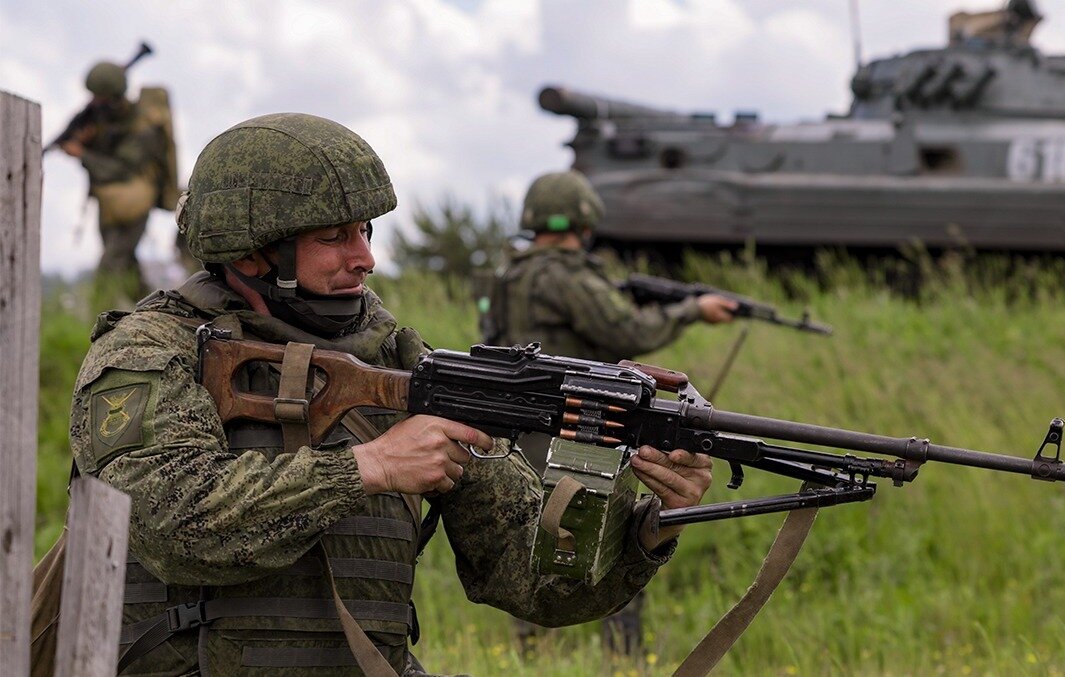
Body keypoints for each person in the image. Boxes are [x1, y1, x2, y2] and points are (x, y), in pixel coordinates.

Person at [67, 113, 713, 675]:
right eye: (333, 236)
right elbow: (164, 520)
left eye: (365, 231)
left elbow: (534, 579)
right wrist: (368, 468)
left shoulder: (399, 358)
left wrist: (647, 526)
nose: (364, 258)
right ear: (256, 249)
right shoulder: (152, 351)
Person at [483, 169, 737, 657]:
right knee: (618, 537)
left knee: (532, 546)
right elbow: (630, 334)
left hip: (521, 435)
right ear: (584, 222)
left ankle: (529, 659)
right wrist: (691, 310)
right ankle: (623, 659)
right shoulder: (566, 276)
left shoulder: (509, 276)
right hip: (581, 432)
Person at [54, 59, 182, 306]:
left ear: (112, 98)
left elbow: (122, 169)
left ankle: (95, 323)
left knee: (111, 264)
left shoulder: (143, 127)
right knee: (126, 263)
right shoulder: (106, 121)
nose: (95, 104)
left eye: (100, 98)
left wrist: (82, 153)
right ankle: (158, 309)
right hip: (114, 202)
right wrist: (89, 141)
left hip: (134, 201)